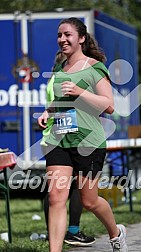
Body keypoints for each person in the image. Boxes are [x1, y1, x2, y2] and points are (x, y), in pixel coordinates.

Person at [38, 17, 128, 252]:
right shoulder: (59, 68)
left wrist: (79, 92)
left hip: (88, 142)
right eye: (59, 35)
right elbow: (59, 101)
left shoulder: (94, 67)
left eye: (67, 34)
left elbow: (109, 105)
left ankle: (116, 233)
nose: (62, 39)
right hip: (59, 139)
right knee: (56, 197)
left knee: (89, 201)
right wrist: (47, 113)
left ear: (81, 38)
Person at [41, 51, 96, 246]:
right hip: (58, 138)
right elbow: (60, 107)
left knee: (57, 192)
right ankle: (69, 231)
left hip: (59, 136)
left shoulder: (54, 80)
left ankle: (59, 231)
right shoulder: (60, 80)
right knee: (63, 191)